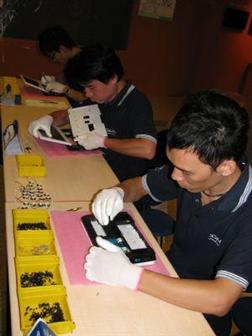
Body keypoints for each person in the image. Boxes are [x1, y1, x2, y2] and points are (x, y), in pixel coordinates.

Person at [84, 90, 252, 336]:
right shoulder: (190, 171)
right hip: (166, 271)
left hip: (202, 305)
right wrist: (117, 192)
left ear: (226, 167)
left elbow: (220, 299)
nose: (174, 176)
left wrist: (128, 275)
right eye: (173, 165)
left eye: (185, 172)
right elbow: (138, 186)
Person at [29, 44, 157, 182]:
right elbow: (68, 115)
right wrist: (47, 119)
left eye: (91, 87)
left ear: (113, 78)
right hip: (95, 164)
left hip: (118, 180)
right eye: (84, 88)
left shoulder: (137, 103)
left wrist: (103, 142)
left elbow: (147, 149)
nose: (87, 93)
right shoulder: (101, 96)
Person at [38, 25, 85, 103]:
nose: (54, 60)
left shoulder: (88, 62)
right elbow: (63, 77)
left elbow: (88, 99)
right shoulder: (72, 60)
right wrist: (51, 80)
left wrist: (65, 90)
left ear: (62, 49)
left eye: (53, 56)